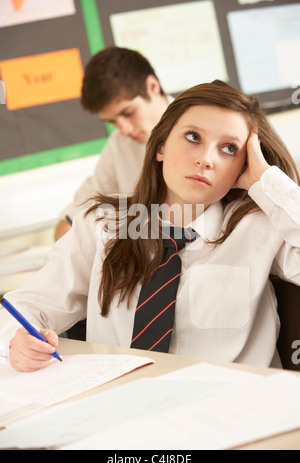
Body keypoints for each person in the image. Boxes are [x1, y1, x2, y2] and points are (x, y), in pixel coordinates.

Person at [1, 80, 300, 373]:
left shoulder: (260, 226)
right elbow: (28, 306)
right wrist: (16, 341)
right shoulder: (104, 224)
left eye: (229, 149)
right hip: (121, 404)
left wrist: (266, 181)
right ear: (160, 147)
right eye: (193, 137)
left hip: (230, 409)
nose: (206, 159)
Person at [55, 46, 171, 240]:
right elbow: (90, 196)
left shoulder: (204, 128)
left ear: (152, 86)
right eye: (113, 121)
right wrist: (67, 225)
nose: (123, 129)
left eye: (128, 113)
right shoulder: (119, 144)